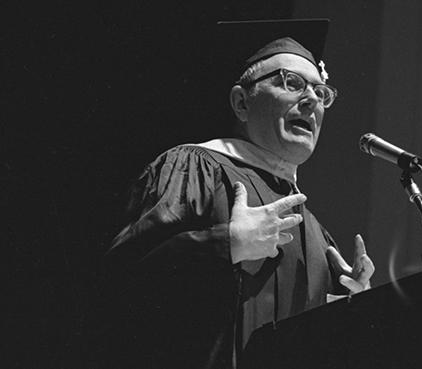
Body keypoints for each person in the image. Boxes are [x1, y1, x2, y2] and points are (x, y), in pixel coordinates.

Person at [103, 19, 374, 369]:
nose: (310, 100)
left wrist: (350, 307)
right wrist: (224, 244)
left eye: (321, 93)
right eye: (291, 83)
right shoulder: (193, 169)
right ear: (242, 103)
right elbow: (122, 283)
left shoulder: (315, 232)